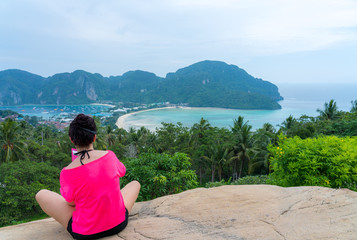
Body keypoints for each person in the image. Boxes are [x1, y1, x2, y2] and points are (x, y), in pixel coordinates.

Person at [36, 114, 140, 240]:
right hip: (118, 224)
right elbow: (122, 171)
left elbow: (71, 203)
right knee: (135, 184)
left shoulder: (67, 171)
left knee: (41, 194)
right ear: (94, 137)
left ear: (72, 140)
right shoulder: (110, 156)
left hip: (85, 233)